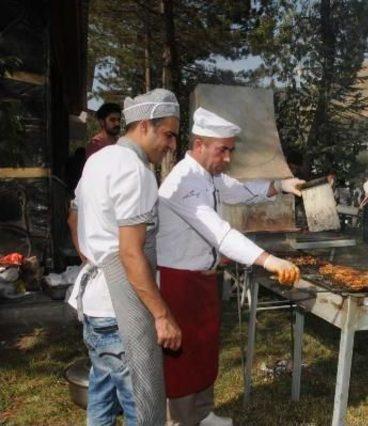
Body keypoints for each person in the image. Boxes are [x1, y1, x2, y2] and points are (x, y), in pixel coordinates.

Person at [156, 107, 303, 426]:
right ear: (199, 144)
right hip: (178, 281)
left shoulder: (207, 175)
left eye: (230, 150)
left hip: (203, 278)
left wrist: (280, 186)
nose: (227, 158)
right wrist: (268, 259)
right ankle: (181, 420)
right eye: (222, 150)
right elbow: (220, 233)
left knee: (206, 348)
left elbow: (240, 191)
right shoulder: (184, 182)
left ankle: (203, 412)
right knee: (183, 355)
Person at [69, 88, 182, 425]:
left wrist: (94, 255)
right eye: (168, 134)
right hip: (122, 313)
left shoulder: (98, 160)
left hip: (94, 307)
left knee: (102, 399)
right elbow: (131, 254)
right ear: (144, 125)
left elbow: (72, 216)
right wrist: (162, 315)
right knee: (142, 407)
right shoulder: (136, 171)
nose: (172, 145)